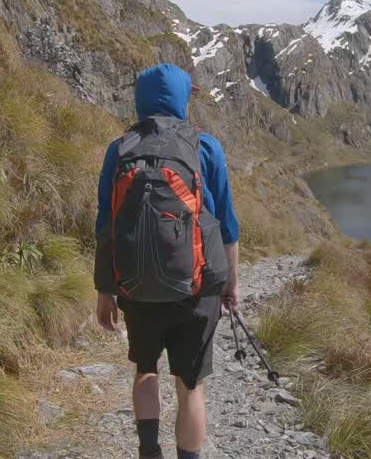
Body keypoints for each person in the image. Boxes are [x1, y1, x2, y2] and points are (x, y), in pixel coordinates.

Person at [95, 64, 240, 459]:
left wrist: (105, 290)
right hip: (196, 287)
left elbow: (106, 224)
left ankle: (148, 452)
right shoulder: (206, 147)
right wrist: (231, 284)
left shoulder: (119, 149)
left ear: (140, 99)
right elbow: (227, 225)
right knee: (190, 387)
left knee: (146, 369)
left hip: (135, 284)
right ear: (182, 98)